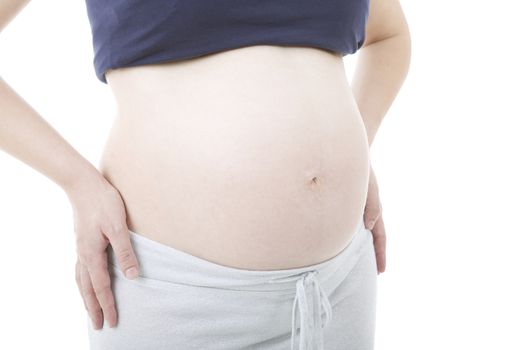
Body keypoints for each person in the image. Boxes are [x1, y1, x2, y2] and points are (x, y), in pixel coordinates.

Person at [0, 0, 411, 349]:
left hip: (338, 287)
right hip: (179, 293)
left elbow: (390, 35)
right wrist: (77, 181)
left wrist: (358, 135)